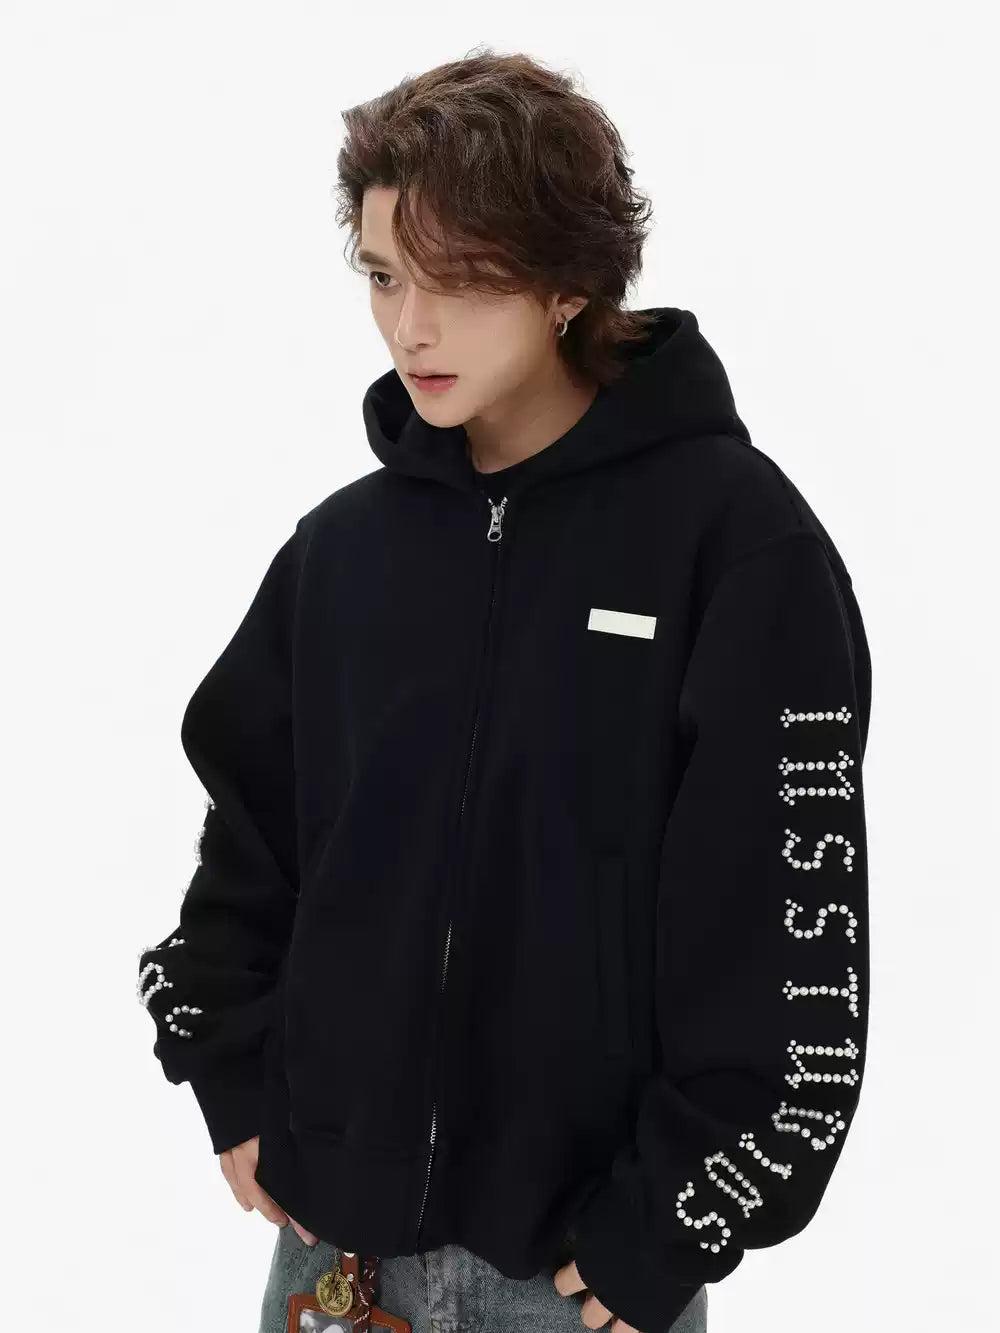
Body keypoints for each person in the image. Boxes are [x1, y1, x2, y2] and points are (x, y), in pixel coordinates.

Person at [137, 48, 871, 1333]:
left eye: (460, 281)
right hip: (334, 1267)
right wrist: (231, 1073)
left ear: (568, 283)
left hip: (578, 1280)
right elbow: (248, 845)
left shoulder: (735, 548)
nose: (409, 327)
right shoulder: (343, 553)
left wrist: (669, 1226)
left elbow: (790, 941)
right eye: (383, 276)